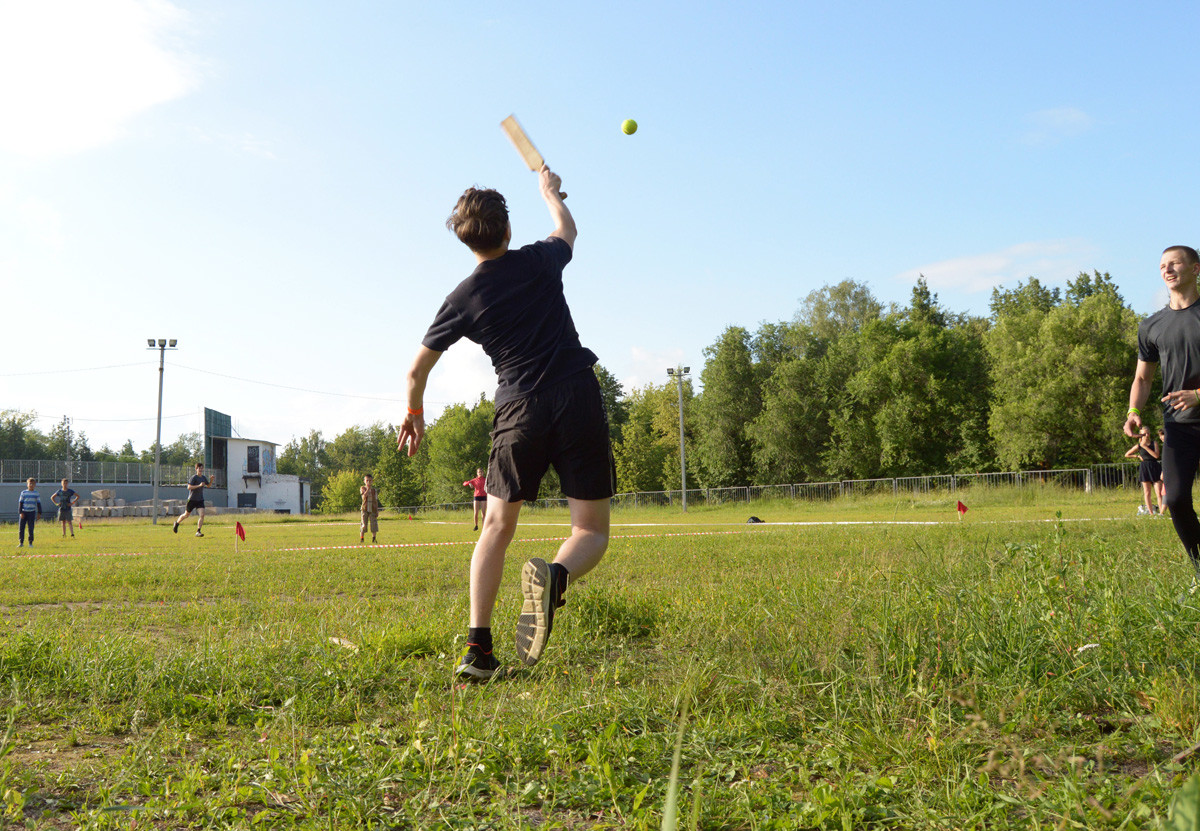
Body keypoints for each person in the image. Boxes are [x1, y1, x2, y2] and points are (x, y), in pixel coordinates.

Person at [397, 164, 615, 682]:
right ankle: (555, 578)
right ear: (507, 231)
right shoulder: (539, 261)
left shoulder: (463, 298)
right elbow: (568, 230)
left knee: (495, 527)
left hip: (519, 408)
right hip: (575, 392)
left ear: (463, 239)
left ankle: (478, 651)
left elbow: (416, 370)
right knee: (590, 529)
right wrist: (549, 193)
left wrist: (414, 414)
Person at [1125, 244, 1200, 599]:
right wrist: (1134, 412)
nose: (1167, 270)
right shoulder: (1152, 325)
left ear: (1195, 269)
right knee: (1178, 498)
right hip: (1179, 426)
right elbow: (1143, 379)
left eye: (1175, 264)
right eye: (1162, 266)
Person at [1125, 427, 1162, 515]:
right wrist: (1137, 456)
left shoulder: (1154, 443)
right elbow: (1127, 454)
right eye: (1144, 433)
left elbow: (1156, 456)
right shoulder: (1138, 445)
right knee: (1147, 492)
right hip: (1145, 467)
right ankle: (1151, 513)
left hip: (1154, 466)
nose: (1146, 435)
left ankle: (1161, 512)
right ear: (1140, 435)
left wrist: (1145, 447)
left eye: (1148, 433)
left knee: (1159, 492)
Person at [173, 462, 210, 537]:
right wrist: (199, 485)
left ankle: (198, 531)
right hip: (192, 499)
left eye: (201, 468)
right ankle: (176, 523)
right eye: (199, 468)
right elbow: (189, 487)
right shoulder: (194, 477)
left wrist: (211, 480)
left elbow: (208, 485)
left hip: (200, 500)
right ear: (196, 469)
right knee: (186, 515)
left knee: (202, 515)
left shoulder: (203, 478)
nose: (200, 469)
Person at [17, 478, 42, 548]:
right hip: (24, 512)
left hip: (31, 512)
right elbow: (20, 503)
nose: (31, 485)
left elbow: (38, 504)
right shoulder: (23, 493)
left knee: (31, 528)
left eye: (32, 484)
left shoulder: (36, 493)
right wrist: (20, 512)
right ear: (27, 484)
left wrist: (39, 513)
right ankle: (21, 542)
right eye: (30, 483)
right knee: (21, 528)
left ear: (35, 485)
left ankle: (30, 543)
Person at [360, 473, 380, 543]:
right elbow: (363, 497)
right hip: (365, 509)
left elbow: (376, 500)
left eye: (370, 480)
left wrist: (377, 510)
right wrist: (368, 489)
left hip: (372, 509)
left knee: (373, 524)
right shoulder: (363, 488)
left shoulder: (374, 490)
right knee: (364, 524)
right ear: (364, 481)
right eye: (367, 480)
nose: (368, 482)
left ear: (372, 481)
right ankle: (362, 538)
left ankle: (374, 538)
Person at [1157, 427, 1169, 515]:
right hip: (1167, 470)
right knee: (1165, 491)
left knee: (1166, 491)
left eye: (1163, 435)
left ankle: (1162, 513)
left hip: (1170, 471)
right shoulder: (1165, 445)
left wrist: (1163, 472)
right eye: (1160, 436)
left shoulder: (1169, 445)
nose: (1161, 437)